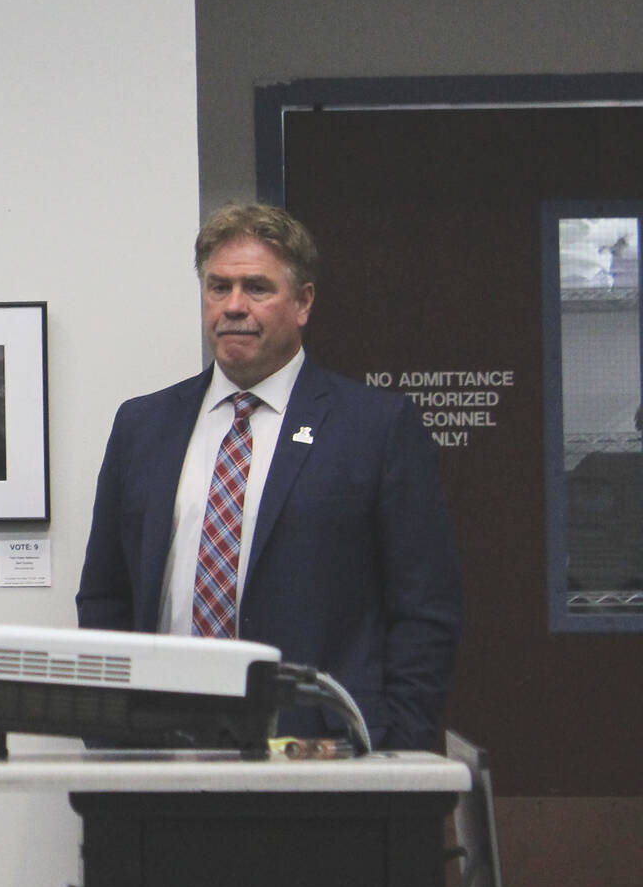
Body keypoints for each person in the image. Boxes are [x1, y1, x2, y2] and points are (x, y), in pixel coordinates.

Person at [75, 203, 462, 749]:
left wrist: (395, 743)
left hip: (323, 756)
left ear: (302, 302)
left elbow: (425, 610)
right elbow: (105, 596)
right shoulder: (143, 425)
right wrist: (108, 730)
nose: (233, 307)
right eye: (218, 287)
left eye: (257, 288)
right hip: (158, 750)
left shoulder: (374, 428)